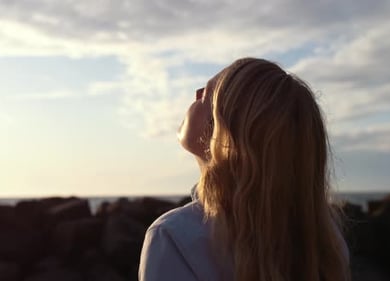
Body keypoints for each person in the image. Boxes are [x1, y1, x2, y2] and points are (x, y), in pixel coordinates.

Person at [138, 58, 351, 281]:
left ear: (223, 134)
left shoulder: (173, 237)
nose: (195, 95)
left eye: (205, 95)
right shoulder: (326, 241)